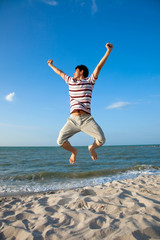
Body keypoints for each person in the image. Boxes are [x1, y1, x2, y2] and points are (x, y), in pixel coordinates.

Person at [48, 43, 113, 164]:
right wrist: (51, 65)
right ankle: (74, 151)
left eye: (75, 71)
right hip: (72, 120)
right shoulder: (70, 81)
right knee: (60, 141)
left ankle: (91, 148)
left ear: (81, 72)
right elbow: (60, 72)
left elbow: (99, 67)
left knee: (101, 139)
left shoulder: (90, 81)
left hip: (87, 119)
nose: (73, 73)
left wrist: (108, 52)